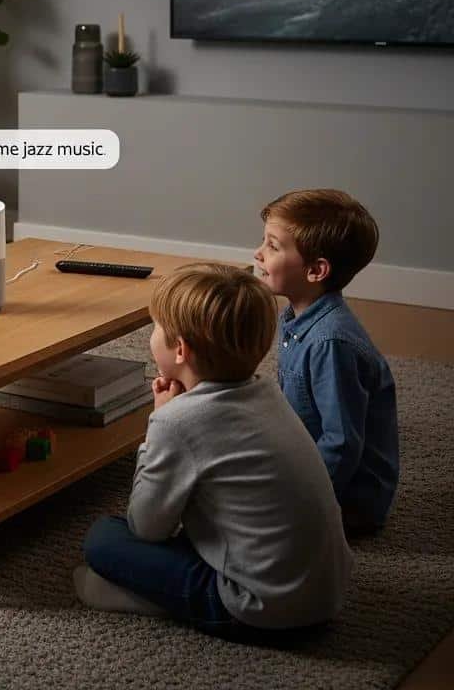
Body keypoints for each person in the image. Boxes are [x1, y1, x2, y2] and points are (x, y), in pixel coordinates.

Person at [76, 264, 352, 639]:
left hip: (257, 608)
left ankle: (157, 601)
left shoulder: (176, 422)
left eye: (155, 326)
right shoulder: (266, 391)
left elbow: (147, 526)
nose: (151, 334)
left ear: (180, 350)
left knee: (103, 538)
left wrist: (158, 425)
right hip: (325, 593)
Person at [255, 188, 399, 535]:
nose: (258, 253)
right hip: (307, 461)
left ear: (316, 270)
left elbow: (342, 442)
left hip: (347, 499)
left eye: (272, 246)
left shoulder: (331, 344)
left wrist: (300, 505)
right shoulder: (297, 317)